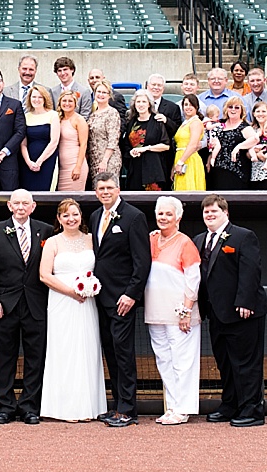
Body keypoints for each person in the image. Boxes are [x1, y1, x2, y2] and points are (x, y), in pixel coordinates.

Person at [195, 194, 267, 428]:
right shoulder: (198, 240)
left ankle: (252, 410)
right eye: (206, 212)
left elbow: (250, 272)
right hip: (215, 313)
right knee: (224, 362)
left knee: (246, 363)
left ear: (226, 213)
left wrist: (245, 302)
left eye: (214, 211)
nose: (210, 215)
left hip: (242, 313)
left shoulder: (243, 236)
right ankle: (230, 404)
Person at [0, 189, 54, 425]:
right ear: (9, 206)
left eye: (26, 203)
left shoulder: (46, 231)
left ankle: (30, 406)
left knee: (36, 357)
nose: (21, 207)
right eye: (17, 203)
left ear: (33, 206)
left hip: (36, 304)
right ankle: (5, 406)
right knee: (3, 358)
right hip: (4, 305)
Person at [89, 172, 151, 428]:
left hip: (123, 298)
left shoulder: (134, 217)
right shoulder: (94, 216)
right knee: (111, 352)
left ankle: (128, 409)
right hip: (100, 297)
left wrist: (131, 294)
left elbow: (142, 261)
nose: (105, 192)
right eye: (101, 188)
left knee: (123, 352)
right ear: (96, 192)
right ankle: (116, 406)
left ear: (118, 189)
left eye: (109, 187)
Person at [39, 198, 107, 422]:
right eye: (66, 215)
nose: (71, 219)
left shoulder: (90, 240)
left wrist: (88, 289)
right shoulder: (53, 242)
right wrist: (70, 292)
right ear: (59, 219)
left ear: (81, 216)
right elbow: (44, 275)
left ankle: (88, 407)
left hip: (87, 303)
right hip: (63, 301)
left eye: (75, 214)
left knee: (87, 349)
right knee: (65, 350)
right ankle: (66, 408)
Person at [146, 196, 202, 424]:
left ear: (178, 217)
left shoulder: (185, 242)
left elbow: (193, 278)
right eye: (160, 213)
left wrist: (187, 310)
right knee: (164, 360)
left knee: (182, 361)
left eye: (169, 214)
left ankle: (183, 408)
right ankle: (172, 407)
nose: (164, 218)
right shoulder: (149, 239)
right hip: (154, 311)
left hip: (180, 313)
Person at [121, 90, 171, 191]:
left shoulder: (157, 121)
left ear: (149, 104)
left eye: (144, 102)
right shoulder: (131, 122)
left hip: (154, 168)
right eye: (138, 102)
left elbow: (166, 145)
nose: (141, 105)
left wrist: (146, 149)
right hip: (135, 167)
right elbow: (126, 144)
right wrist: (131, 151)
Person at [207, 97, 257, 191]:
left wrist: (239, 147)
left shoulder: (244, 126)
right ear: (226, 109)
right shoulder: (220, 124)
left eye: (237, 107)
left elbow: (255, 139)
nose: (233, 109)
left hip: (236, 171)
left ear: (241, 110)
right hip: (217, 170)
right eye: (230, 107)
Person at [20, 84, 60, 191]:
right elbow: (23, 144)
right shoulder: (25, 116)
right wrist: (29, 162)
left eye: (39, 97)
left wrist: (39, 162)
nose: (36, 100)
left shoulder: (53, 115)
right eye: (34, 97)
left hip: (47, 160)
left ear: (45, 99)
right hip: (28, 162)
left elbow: (54, 141)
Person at [145, 74, 181, 188]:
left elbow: (177, 130)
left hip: (164, 156)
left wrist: (166, 120)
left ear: (163, 88)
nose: (156, 87)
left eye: (159, 85)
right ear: (147, 86)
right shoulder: (139, 104)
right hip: (144, 155)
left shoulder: (172, 107)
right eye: (153, 84)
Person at [86, 80, 123, 180]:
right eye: (98, 92)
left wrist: (105, 160)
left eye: (104, 92)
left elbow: (113, 139)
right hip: (94, 159)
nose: (101, 95)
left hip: (108, 160)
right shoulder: (93, 114)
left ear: (109, 96)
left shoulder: (112, 113)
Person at [56, 90, 89, 191]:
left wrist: (78, 167)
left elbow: (83, 145)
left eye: (70, 101)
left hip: (74, 165)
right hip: (61, 168)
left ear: (75, 103)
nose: (67, 103)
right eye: (64, 101)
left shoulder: (79, 120)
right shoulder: (58, 119)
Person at [172, 94, 206, 191]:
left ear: (196, 107)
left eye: (191, 105)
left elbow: (193, 145)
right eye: (186, 104)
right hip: (180, 157)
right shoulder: (185, 123)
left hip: (189, 159)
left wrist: (180, 162)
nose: (188, 107)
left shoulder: (195, 122)